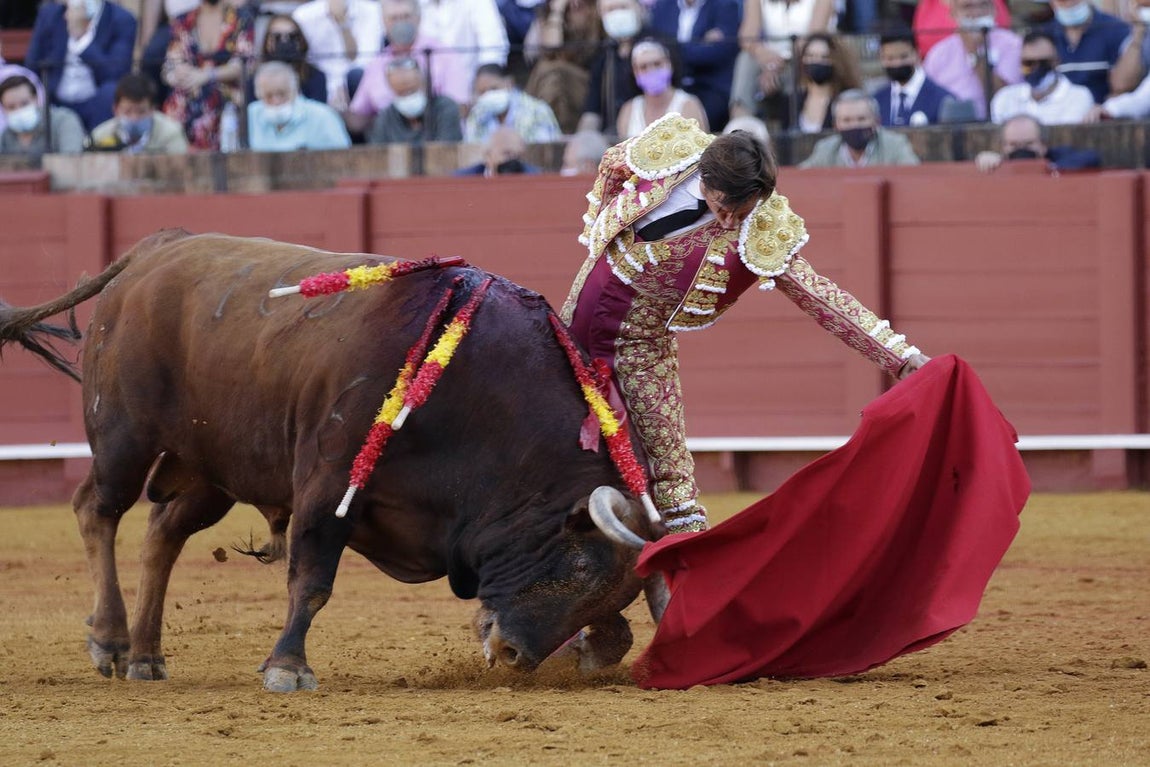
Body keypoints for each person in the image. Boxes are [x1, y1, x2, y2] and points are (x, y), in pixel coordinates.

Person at [561, 112, 929, 532]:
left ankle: (688, 581)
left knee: (674, 481)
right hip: (575, 320)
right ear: (705, 179)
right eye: (724, 208)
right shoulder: (670, 150)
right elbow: (613, 162)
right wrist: (598, 229)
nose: (732, 222)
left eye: (744, 212)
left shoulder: (762, 230)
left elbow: (821, 297)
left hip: (643, 348)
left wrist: (899, 356)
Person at [346, 0, 469, 135]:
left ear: (419, 17)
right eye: (394, 18)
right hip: (390, 146)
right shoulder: (377, 64)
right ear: (384, 22)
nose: (400, 23)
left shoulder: (444, 55)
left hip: (437, 139)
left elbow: (460, 109)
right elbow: (357, 117)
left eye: (406, 16)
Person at [23, 0, 137, 132]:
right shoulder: (50, 14)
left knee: (110, 91)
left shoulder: (122, 19)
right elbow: (32, 65)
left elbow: (116, 73)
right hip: (55, 100)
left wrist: (81, 39)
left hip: (96, 100)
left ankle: (98, 147)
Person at [161, 0, 255, 151]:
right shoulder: (183, 20)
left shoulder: (241, 18)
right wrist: (180, 72)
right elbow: (171, 63)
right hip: (188, 88)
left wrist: (207, 75)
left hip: (227, 93)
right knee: (177, 100)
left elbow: (244, 64)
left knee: (210, 96)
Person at [729, 0, 839, 120]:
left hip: (804, 57)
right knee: (746, 59)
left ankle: (796, 122)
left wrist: (776, 65)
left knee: (805, 61)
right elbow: (747, 37)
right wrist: (768, 62)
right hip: (770, 59)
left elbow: (813, 37)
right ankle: (740, 123)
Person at [647, 0, 740, 131]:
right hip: (672, 84)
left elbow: (718, 52)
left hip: (710, 86)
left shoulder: (724, 5)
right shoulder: (663, 6)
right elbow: (656, 46)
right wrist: (700, 44)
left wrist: (674, 50)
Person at [921, 0, 1022, 121]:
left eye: (983, 5)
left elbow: (1005, 98)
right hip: (949, 129)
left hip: (999, 126)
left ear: (994, 10)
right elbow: (926, 100)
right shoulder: (938, 54)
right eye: (967, 7)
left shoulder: (1012, 44)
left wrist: (973, 51)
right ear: (953, 14)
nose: (976, 12)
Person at [522, 0, 602, 134]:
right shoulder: (549, 14)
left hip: (589, 83)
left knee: (553, 71)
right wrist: (557, 13)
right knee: (551, 74)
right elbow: (551, 48)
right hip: (552, 84)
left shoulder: (595, 9)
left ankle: (541, 128)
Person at [577, 0, 651, 134]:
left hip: (646, 131)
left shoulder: (657, 49)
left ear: (639, 8)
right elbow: (592, 112)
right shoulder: (604, 56)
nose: (618, 14)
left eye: (623, 7)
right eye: (610, 10)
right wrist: (584, 138)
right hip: (611, 137)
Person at [292, 0, 383, 109]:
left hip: (355, 86)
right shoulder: (303, 15)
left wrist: (342, 23)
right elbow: (305, 63)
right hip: (318, 88)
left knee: (358, 76)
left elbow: (366, 60)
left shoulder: (372, 10)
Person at [1043, 0, 1137, 104]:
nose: (1069, 3)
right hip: (1058, 114)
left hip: (1102, 114)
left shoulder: (1116, 29)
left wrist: (1107, 108)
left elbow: (1123, 85)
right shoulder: (1044, 34)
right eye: (1063, 0)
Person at [990, 31, 1094, 124]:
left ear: (1057, 61)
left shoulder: (1078, 97)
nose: (1036, 69)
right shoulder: (1005, 98)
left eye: (1043, 63)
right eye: (1028, 63)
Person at [799, 89, 920, 168]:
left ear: (876, 121)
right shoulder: (825, 149)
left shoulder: (895, 144)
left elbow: (914, 176)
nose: (854, 125)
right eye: (847, 120)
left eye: (861, 119)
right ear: (835, 125)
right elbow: (800, 178)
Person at [247, 61, 352, 151]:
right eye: (268, 96)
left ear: (295, 90)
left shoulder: (323, 117)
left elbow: (344, 159)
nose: (276, 101)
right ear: (259, 95)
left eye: (282, 93)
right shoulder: (251, 115)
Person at [616, 39, 708, 138]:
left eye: (657, 64)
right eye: (643, 67)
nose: (651, 70)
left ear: (669, 64)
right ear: (635, 72)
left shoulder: (688, 104)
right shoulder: (628, 110)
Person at [367, 56, 462, 144]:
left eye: (411, 91)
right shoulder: (385, 119)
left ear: (424, 84)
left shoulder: (445, 108)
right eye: (401, 93)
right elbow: (378, 155)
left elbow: (447, 151)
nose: (408, 98)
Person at [872, 29, 956, 127]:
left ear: (917, 54)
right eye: (890, 58)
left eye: (903, 57)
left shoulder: (943, 100)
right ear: (881, 58)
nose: (897, 63)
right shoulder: (877, 100)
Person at [88, 72, 189, 154]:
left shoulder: (171, 133)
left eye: (141, 112)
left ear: (153, 109)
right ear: (116, 110)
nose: (134, 118)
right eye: (127, 111)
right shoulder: (99, 137)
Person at [784, 32, 862, 134]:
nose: (817, 61)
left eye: (824, 57)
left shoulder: (848, 100)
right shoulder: (792, 103)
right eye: (810, 56)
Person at [464, 63, 561, 143]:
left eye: (494, 88)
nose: (488, 95)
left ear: (509, 83)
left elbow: (546, 152)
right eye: (482, 92)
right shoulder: (477, 115)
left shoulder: (537, 111)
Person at [245, 14, 327, 106]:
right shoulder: (254, 80)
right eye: (277, 37)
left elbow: (319, 113)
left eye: (292, 36)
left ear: (301, 41)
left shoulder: (316, 77)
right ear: (267, 42)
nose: (285, 42)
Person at [975, 113, 1101, 172]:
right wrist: (987, 162)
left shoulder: (1057, 158)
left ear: (1043, 145)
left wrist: (1048, 168)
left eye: (1029, 144)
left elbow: (1091, 157)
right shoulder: (999, 162)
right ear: (1003, 146)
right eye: (1013, 144)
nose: (1021, 150)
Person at [0, 73, 84, 157]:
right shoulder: (6, 136)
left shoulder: (63, 121)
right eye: (11, 107)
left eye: (24, 104)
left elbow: (71, 160)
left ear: (36, 99)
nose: (18, 111)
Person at [455, 124, 542, 175]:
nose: (513, 159)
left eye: (518, 155)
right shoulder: (463, 179)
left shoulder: (535, 177)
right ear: (488, 156)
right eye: (507, 154)